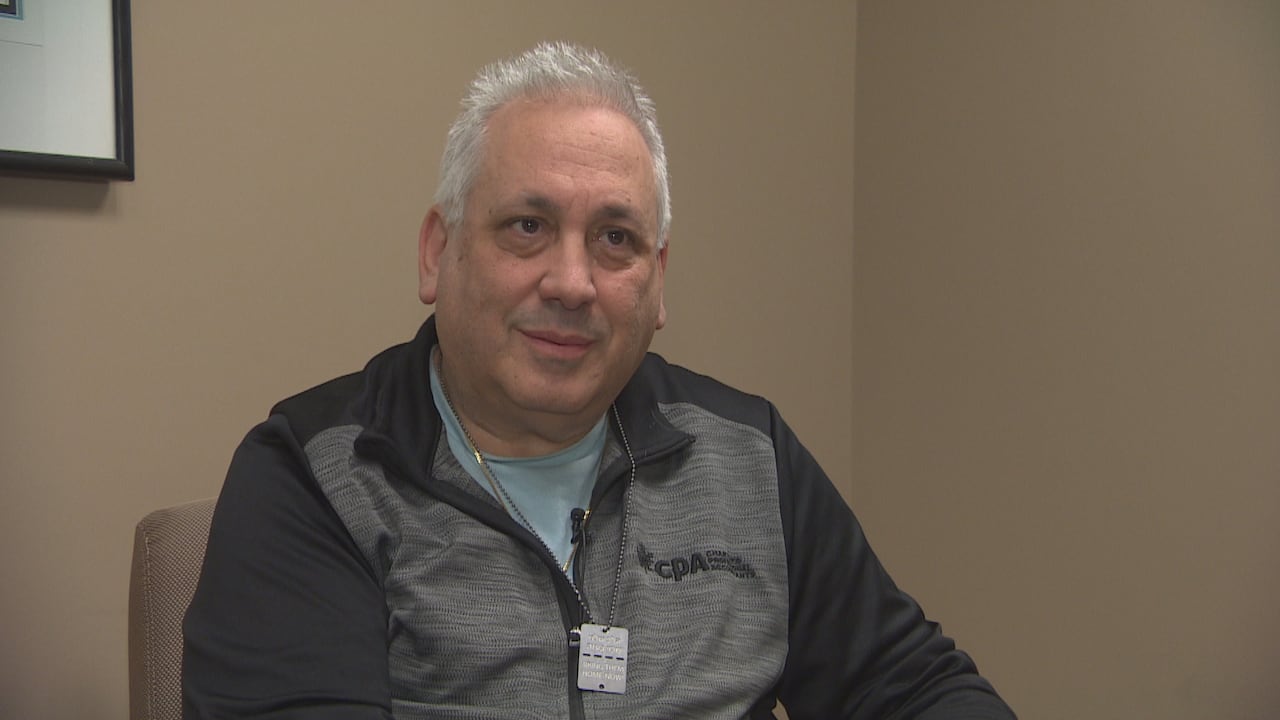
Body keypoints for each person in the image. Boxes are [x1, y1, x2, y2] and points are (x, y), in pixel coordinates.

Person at [183, 42, 1015, 720]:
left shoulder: (748, 456)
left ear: (658, 283)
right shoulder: (318, 475)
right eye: (528, 226)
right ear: (439, 252)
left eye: (616, 239)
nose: (573, 283)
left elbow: (914, 688)